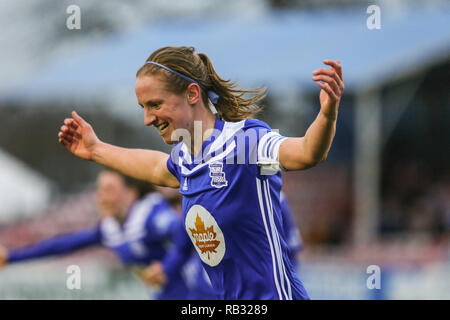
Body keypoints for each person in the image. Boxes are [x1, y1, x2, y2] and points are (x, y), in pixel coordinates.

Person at [57, 46, 344, 299]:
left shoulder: (245, 142)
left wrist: (327, 114)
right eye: (143, 108)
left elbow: (307, 153)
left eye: (155, 104)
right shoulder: (185, 158)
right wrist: (95, 150)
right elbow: (156, 167)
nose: (147, 119)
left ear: (192, 93)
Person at [0, 169, 190, 300]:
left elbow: (185, 234)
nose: (101, 197)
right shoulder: (111, 228)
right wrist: (11, 257)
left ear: (131, 194)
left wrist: (167, 267)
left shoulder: (151, 215)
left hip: (198, 293)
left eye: (109, 190)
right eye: (99, 190)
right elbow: (64, 245)